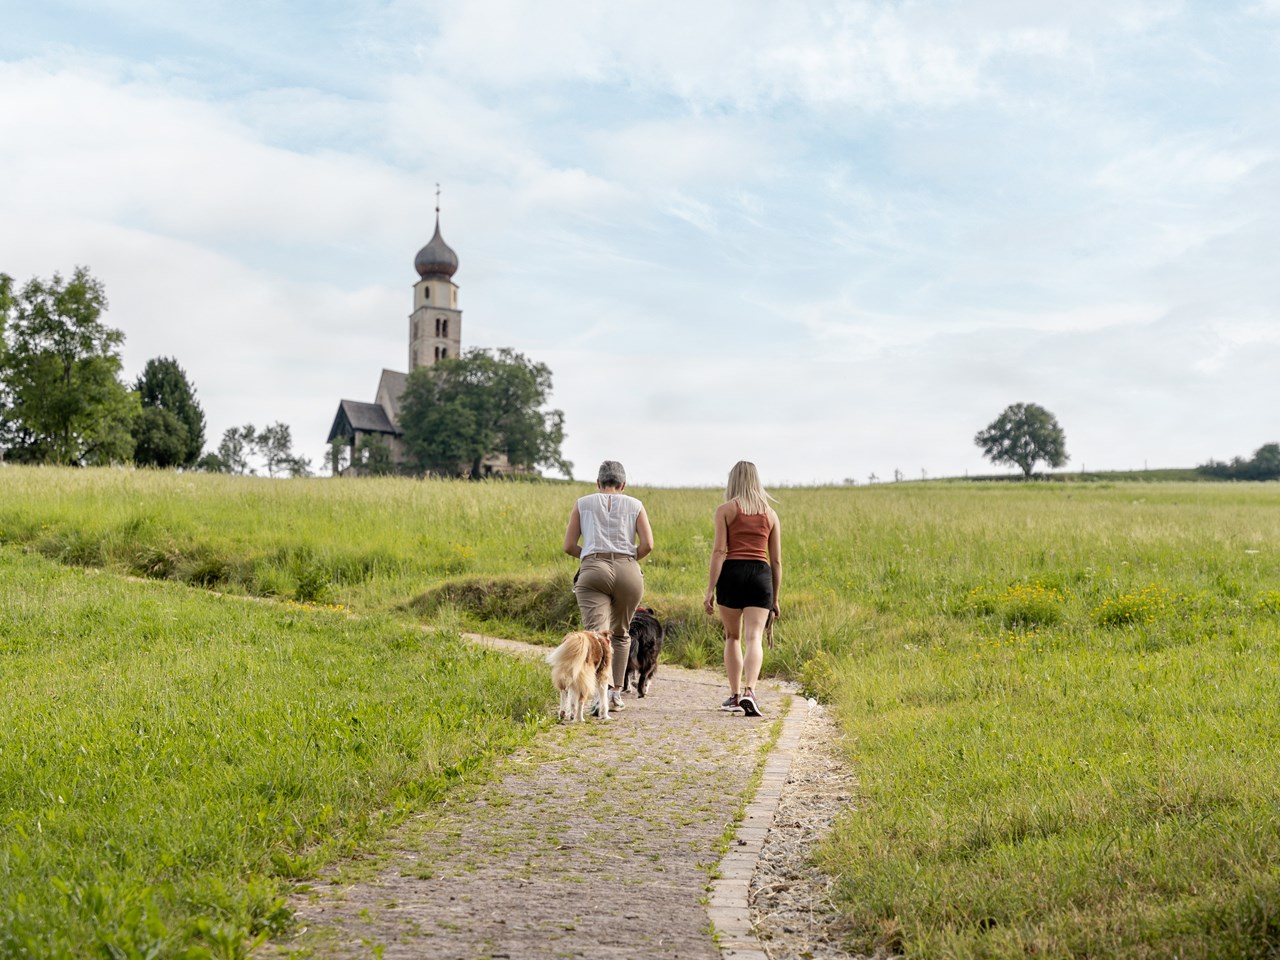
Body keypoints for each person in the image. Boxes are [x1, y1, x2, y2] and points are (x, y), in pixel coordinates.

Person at [563, 460, 654, 716]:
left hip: (593, 569)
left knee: (595, 636)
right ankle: (615, 693)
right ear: (623, 484)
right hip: (628, 569)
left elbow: (569, 545)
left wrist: (590, 556)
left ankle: (593, 697)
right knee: (621, 633)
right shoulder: (635, 505)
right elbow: (648, 545)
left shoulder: (583, 503)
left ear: (598, 483)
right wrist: (627, 559)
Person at [703, 461, 781, 717]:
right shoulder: (770, 514)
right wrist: (776, 598)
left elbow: (718, 551)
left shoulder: (725, 510)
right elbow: (777, 561)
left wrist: (710, 589)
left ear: (733, 481)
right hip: (761, 575)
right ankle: (750, 691)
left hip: (732, 573)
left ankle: (736, 696)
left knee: (732, 637)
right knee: (754, 637)